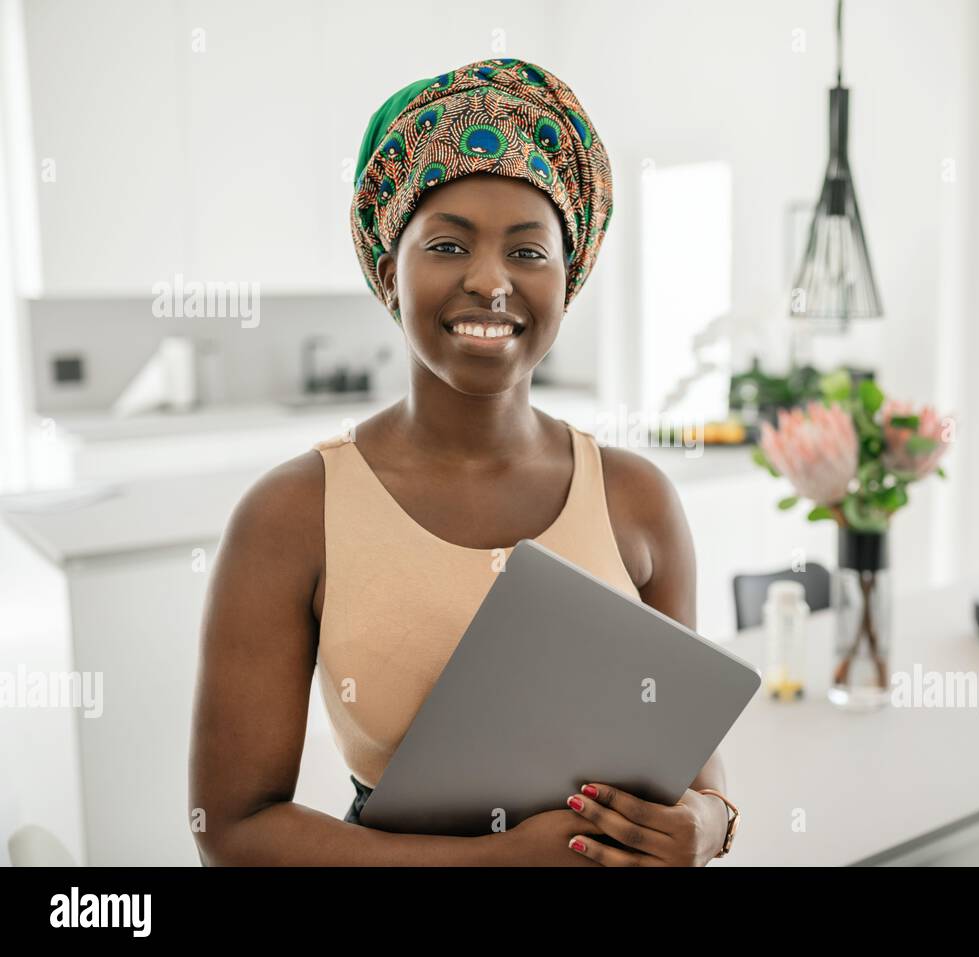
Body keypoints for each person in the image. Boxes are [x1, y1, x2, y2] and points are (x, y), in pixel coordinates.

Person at [188, 57, 737, 866]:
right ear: (389, 270)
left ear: (568, 279)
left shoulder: (637, 499)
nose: (490, 282)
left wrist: (713, 822)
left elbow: (686, 750)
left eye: (529, 252)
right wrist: (499, 861)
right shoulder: (293, 513)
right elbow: (232, 831)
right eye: (448, 244)